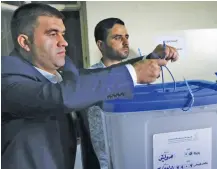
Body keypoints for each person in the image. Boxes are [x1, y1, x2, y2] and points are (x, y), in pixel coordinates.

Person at [1, 3, 178, 169]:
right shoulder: (7, 78)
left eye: (63, 34)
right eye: (53, 33)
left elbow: (94, 76)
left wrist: (148, 58)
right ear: (25, 42)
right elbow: (62, 97)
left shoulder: (59, 71)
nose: (64, 42)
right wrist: (132, 74)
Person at [84, 17, 178, 169]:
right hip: (104, 160)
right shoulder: (89, 77)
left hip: (136, 153)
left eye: (126, 37)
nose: (126, 42)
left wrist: (153, 56)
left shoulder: (140, 75)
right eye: (117, 37)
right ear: (101, 45)